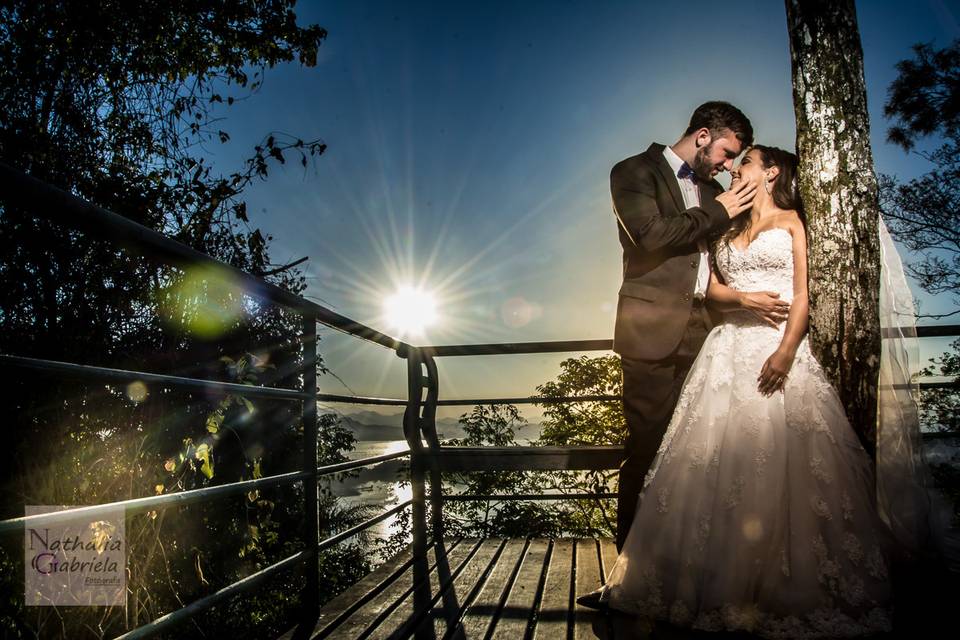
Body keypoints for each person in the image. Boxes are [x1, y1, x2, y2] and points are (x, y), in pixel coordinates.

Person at [593, 145, 900, 638]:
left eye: (747, 161)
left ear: (771, 172)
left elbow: (803, 295)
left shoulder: (794, 223)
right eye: (734, 158)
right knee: (710, 464)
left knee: (782, 461)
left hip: (775, 350)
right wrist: (742, 297)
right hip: (724, 350)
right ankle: (712, 580)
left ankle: (779, 579)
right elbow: (708, 286)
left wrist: (785, 351)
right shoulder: (726, 225)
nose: (736, 168)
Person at [607, 101, 781, 556]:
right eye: (726, 153)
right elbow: (653, 236)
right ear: (703, 136)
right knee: (646, 447)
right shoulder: (632, 171)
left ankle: (683, 561)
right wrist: (720, 210)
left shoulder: (710, 190)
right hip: (650, 332)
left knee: (699, 449)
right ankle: (628, 569)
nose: (727, 166)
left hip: (707, 333)